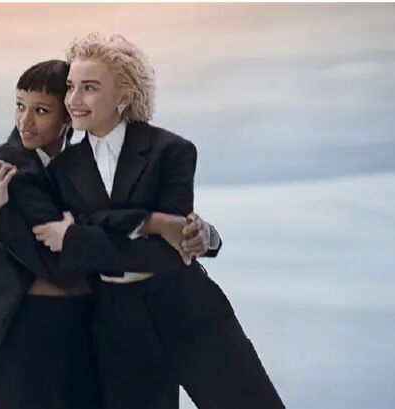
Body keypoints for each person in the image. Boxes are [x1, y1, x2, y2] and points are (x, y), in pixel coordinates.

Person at [0, 59, 222, 409]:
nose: (24, 121)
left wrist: (195, 232)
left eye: (40, 111)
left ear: (67, 117)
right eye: (19, 106)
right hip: (32, 332)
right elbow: (61, 266)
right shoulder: (9, 168)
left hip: (84, 325)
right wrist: (3, 216)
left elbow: (106, 224)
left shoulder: (80, 164)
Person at [31, 33, 284, 409]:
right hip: (117, 325)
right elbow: (70, 257)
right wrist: (151, 223)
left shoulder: (172, 151)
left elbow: (167, 253)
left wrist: (79, 236)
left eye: (89, 87)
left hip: (188, 308)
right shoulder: (61, 170)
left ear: (124, 96)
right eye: (70, 87)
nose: (73, 100)